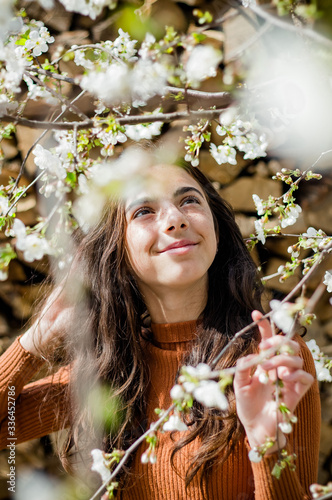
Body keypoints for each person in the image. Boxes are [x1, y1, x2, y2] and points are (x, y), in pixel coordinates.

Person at [0, 162, 320, 500]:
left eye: (190, 201)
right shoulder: (109, 373)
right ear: (116, 250)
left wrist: (267, 445)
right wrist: (34, 342)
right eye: (143, 211)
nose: (175, 219)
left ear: (217, 227)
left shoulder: (269, 361)